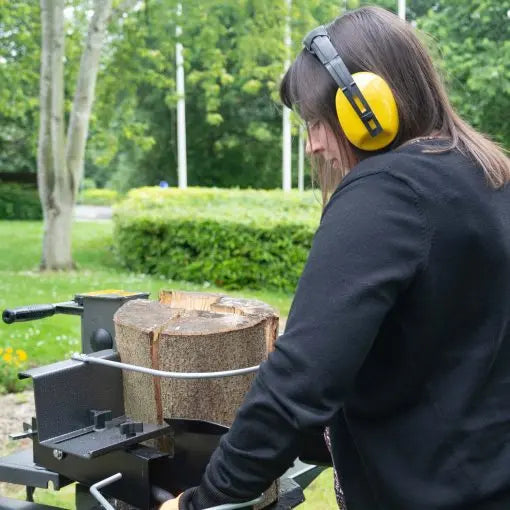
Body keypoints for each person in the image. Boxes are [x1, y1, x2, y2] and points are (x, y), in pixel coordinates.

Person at [162, 6, 510, 510]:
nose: (314, 144)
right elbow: (442, 355)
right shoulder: (488, 175)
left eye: (317, 121)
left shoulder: (386, 191)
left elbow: (298, 383)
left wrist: (205, 501)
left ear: (367, 108)